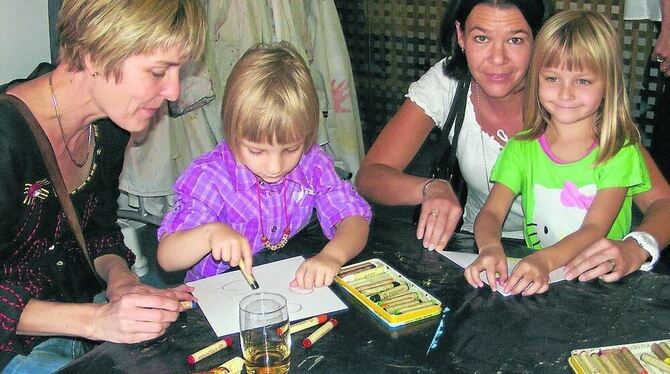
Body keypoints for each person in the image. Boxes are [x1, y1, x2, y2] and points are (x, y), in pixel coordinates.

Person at [354, 0, 670, 282]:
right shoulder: (452, 84)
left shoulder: (573, 101)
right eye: (481, 38)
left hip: (575, 264)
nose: (497, 59)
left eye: (516, 39)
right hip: (480, 250)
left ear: (538, 40)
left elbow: (661, 202)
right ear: (461, 37)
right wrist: (430, 187)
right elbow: (370, 175)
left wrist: (637, 246)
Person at [0, 0, 206, 372]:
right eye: (159, 70)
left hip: (78, 326)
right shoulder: (5, 141)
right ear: (95, 55)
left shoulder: (108, 127)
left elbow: (98, 231)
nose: (174, 91)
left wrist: (122, 281)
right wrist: (96, 320)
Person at [156, 42, 371, 290]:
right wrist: (210, 234)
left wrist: (333, 255)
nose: (274, 166)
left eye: (290, 149)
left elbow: (354, 218)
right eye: (256, 151)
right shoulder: (210, 178)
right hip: (214, 298)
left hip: (280, 283)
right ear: (232, 131)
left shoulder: (312, 163)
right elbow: (167, 257)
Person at [466, 10, 650, 296]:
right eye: (552, 78)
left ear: (608, 85)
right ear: (536, 79)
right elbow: (491, 211)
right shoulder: (521, 148)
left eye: (583, 81)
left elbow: (594, 229)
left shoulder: (619, 152)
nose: (566, 94)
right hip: (541, 280)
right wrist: (490, 247)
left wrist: (544, 259)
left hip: (601, 285)